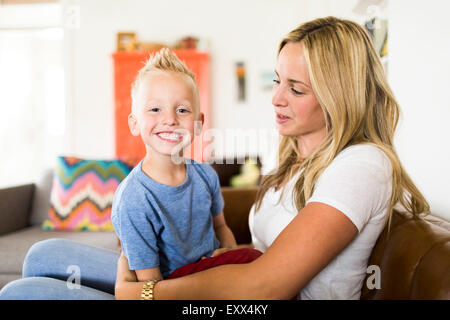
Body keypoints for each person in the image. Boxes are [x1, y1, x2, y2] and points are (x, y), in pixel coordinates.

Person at [0, 16, 429, 300]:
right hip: (227, 275)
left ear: (342, 95)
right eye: (278, 81)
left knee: (21, 293)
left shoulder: (363, 165)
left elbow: (264, 287)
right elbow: (246, 250)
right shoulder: (299, 157)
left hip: (251, 300)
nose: (276, 98)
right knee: (43, 256)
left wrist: (144, 293)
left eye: (296, 89)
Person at [110, 48, 238, 283]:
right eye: (155, 109)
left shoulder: (206, 176)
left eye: (182, 110)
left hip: (215, 273)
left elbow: (221, 227)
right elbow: (150, 284)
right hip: (171, 287)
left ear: (198, 124)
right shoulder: (133, 198)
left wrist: (229, 253)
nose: (170, 119)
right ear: (135, 123)